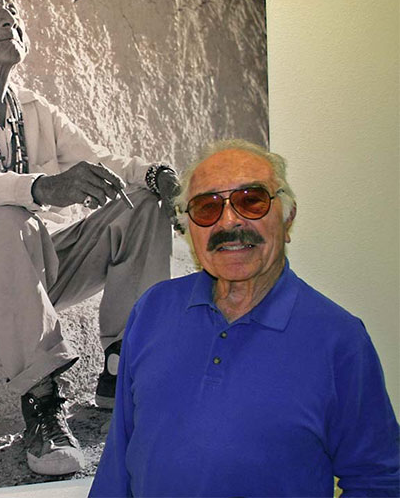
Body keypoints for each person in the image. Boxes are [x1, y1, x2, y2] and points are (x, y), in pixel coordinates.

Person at [0, 0, 181, 476]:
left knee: (140, 204)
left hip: (22, 267)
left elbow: (95, 159)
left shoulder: (32, 108)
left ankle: (122, 368)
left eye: (10, 8)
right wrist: (40, 188)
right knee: (9, 216)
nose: (7, 17)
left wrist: (150, 174)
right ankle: (42, 405)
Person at [90, 139, 399, 497]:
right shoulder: (153, 309)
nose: (230, 221)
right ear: (190, 228)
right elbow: (118, 462)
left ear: (288, 216)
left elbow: (378, 481)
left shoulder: (340, 339)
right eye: (207, 208)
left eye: (251, 200)